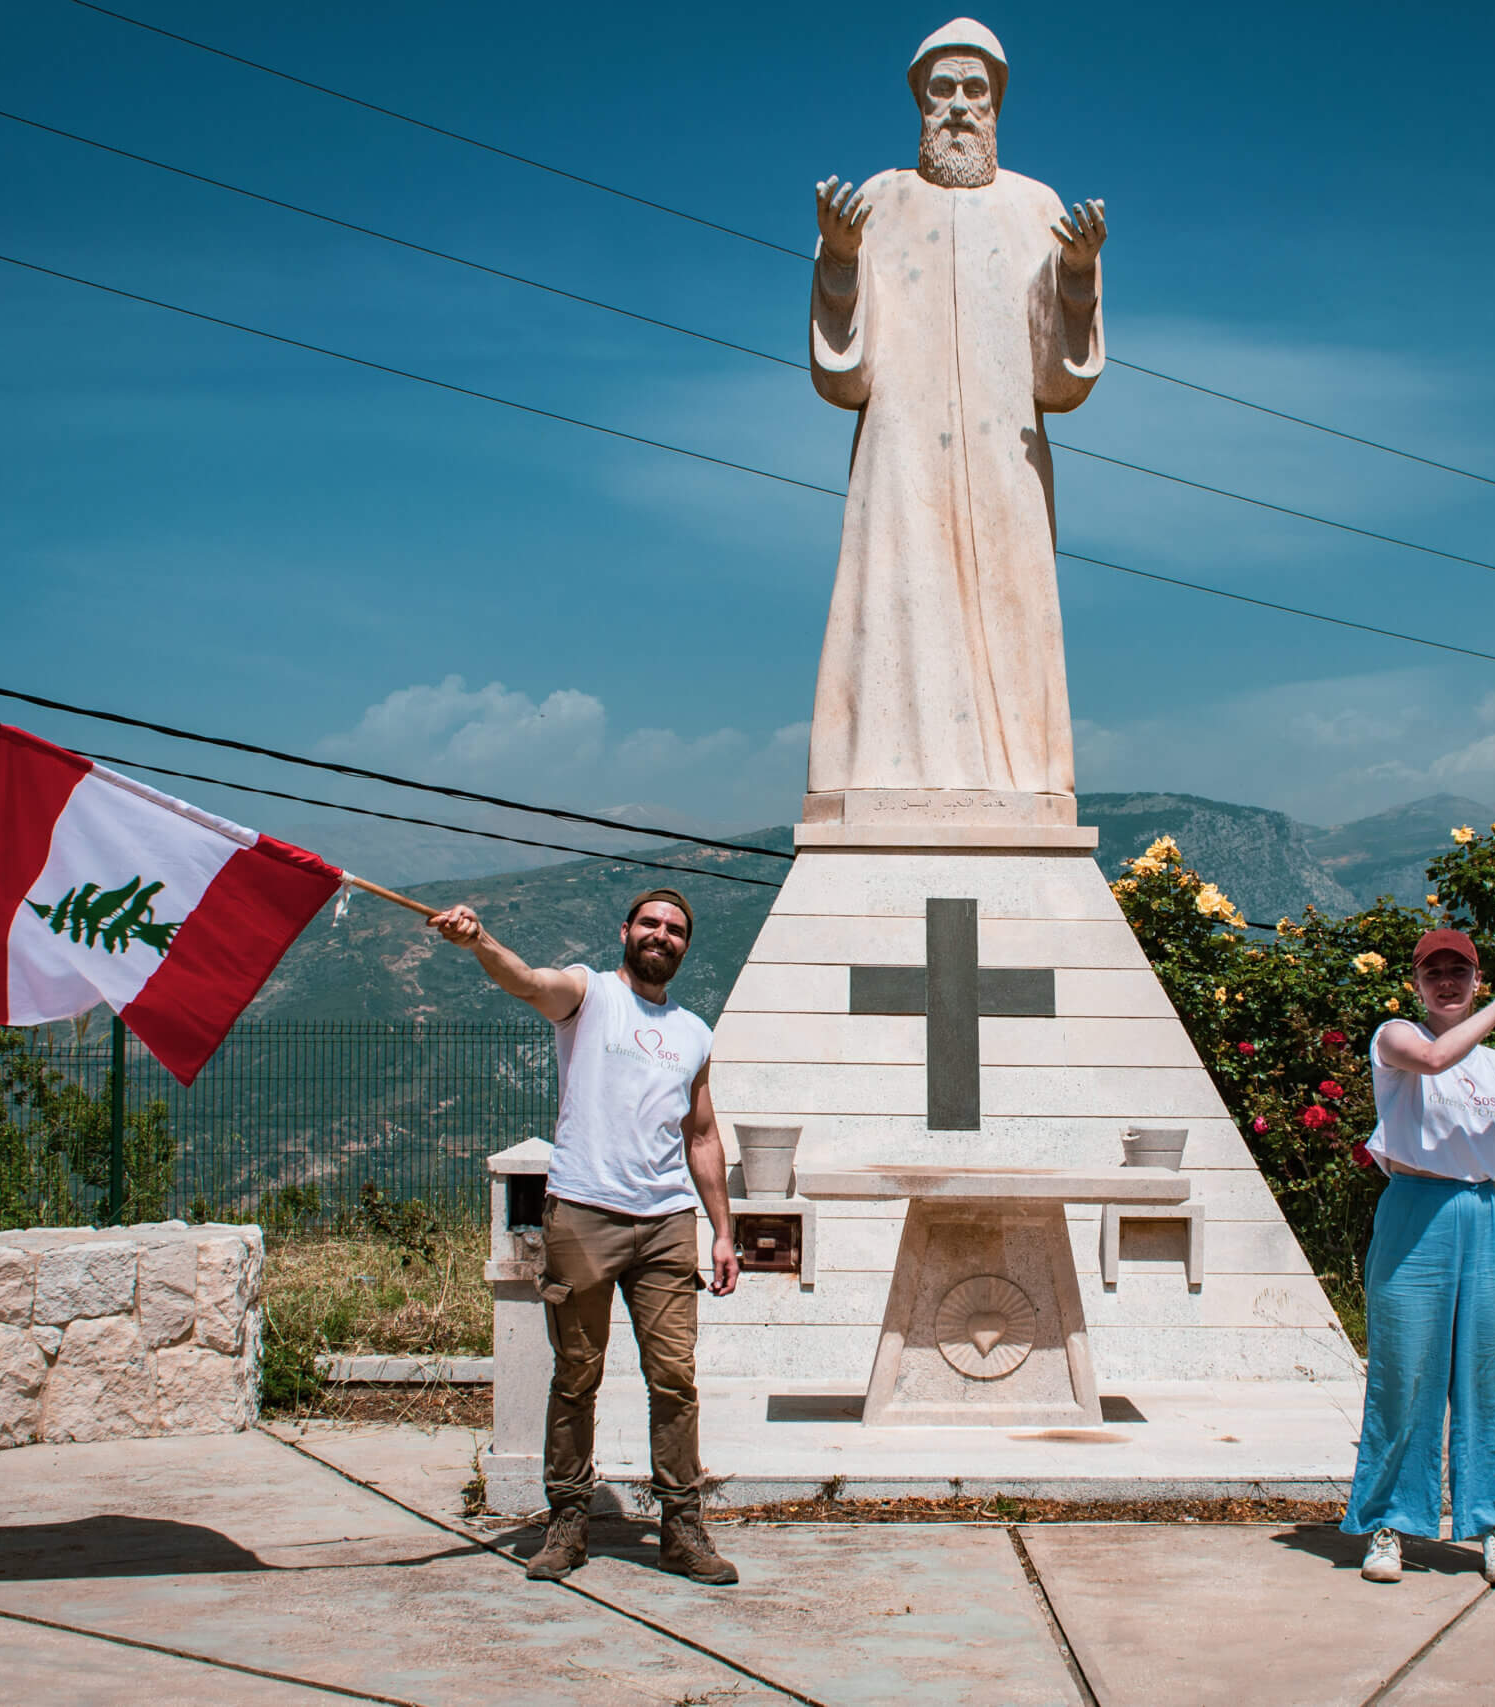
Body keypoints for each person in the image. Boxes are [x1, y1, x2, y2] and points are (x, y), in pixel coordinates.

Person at [804, 18, 1106, 819]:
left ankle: (1016, 784)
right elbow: (846, 372)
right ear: (920, 101)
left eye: (976, 89)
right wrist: (838, 262)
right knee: (899, 600)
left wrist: (1075, 277)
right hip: (902, 455)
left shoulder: (1038, 207)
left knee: (1012, 611)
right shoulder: (879, 200)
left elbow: (1059, 379)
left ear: (998, 101)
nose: (960, 107)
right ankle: (887, 779)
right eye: (943, 90)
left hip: (1003, 457)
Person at [428, 887, 742, 1585]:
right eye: (652, 923)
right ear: (625, 930)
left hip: (666, 1223)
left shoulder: (695, 1032)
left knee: (675, 1378)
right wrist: (480, 941)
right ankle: (567, 1520)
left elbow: (702, 1134)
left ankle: (682, 1528)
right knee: (576, 1376)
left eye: (677, 929)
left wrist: (724, 1231)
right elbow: (528, 980)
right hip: (583, 1214)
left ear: (686, 946)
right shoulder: (588, 993)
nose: (663, 935)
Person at [1346, 928, 1495, 1588]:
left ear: (1474, 977)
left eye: (1459, 971)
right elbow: (1436, 1058)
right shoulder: (1395, 1038)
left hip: (1481, 1220)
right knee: (1404, 1374)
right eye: (1433, 971)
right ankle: (1390, 1523)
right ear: (1415, 983)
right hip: (1416, 1212)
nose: (1447, 981)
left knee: (1490, 1377)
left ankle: (1494, 1525)